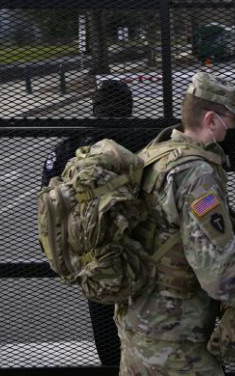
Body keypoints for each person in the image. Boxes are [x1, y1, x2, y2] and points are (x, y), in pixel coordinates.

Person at [115, 72, 235, 375]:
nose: (231, 130)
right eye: (231, 122)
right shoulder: (196, 176)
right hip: (175, 340)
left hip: (135, 325)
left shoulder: (152, 155)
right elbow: (219, 276)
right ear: (210, 120)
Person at [41, 79, 156, 366]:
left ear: (95, 107)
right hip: (145, 253)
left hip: (92, 258)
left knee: (106, 335)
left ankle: (111, 367)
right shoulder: (148, 137)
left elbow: (48, 200)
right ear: (129, 107)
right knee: (150, 333)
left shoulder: (70, 145)